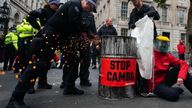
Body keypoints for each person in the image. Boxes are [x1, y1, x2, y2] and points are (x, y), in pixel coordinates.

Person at [6, 0, 97, 108]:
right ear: (87, 2)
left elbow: (74, 27)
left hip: (62, 38)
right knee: (40, 63)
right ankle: (16, 97)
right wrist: (89, 34)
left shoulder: (80, 10)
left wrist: (88, 34)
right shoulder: (74, 4)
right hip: (51, 35)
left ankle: (69, 86)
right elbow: (75, 23)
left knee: (73, 59)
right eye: (91, 8)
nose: (90, 11)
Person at [25, 0, 61, 94]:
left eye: (58, 4)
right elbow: (30, 16)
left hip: (51, 41)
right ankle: (30, 85)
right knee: (38, 63)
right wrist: (38, 27)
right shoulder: (43, 10)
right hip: (42, 40)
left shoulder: (56, 14)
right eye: (56, 4)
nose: (58, 6)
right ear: (50, 4)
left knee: (47, 63)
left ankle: (42, 82)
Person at [146, 35, 192, 101]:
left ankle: (168, 89)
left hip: (164, 80)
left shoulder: (168, 56)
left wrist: (181, 77)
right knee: (174, 95)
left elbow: (183, 63)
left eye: (166, 43)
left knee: (180, 68)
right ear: (155, 43)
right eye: (162, 43)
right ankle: (172, 90)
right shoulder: (150, 55)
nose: (164, 46)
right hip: (155, 85)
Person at [128, 0, 160, 95]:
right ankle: (140, 87)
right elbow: (129, 24)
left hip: (149, 40)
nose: (134, 2)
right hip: (138, 41)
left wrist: (150, 13)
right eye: (132, 1)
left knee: (148, 61)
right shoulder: (133, 12)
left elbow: (157, 16)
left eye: (135, 0)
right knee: (139, 62)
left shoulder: (148, 7)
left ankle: (149, 86)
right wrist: (132, 25)